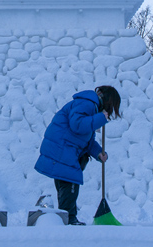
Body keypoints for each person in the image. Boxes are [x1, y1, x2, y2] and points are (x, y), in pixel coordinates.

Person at [34, 86, 121, 225]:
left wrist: (99, 153)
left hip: (64, 150)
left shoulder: (90, 107)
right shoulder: (87, 103)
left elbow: (86, 139)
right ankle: (68, 220)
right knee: (70, 183)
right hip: (62, 149)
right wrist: (99, 118)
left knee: (67, 186)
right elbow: (77, 125)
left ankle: (65, 219)